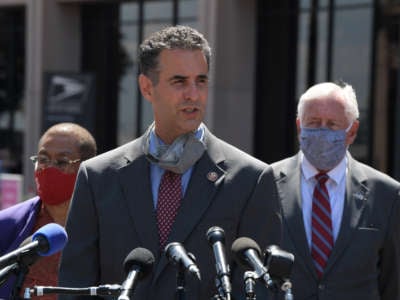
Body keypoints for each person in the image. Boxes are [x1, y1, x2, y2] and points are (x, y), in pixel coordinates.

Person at [58, 25, 281, 300]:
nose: (193, 94)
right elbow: (76, 285)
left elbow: (260, 287)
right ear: (146, 87)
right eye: (179, 81)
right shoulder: (98, 176)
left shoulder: (251, 178)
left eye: (201, 80)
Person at [271, 81, 400, 300]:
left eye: (332, 125)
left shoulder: (386, 194)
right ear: (299, 127)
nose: (322, 131)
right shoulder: (266, 183)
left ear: (352, 131)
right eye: (313, 122)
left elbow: (393, 283)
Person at [0, 122, 97, 300]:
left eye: (62, 162)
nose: (49, 168)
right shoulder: (7, 225)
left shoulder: (107, 225)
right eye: (43, 159)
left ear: (86, 168)